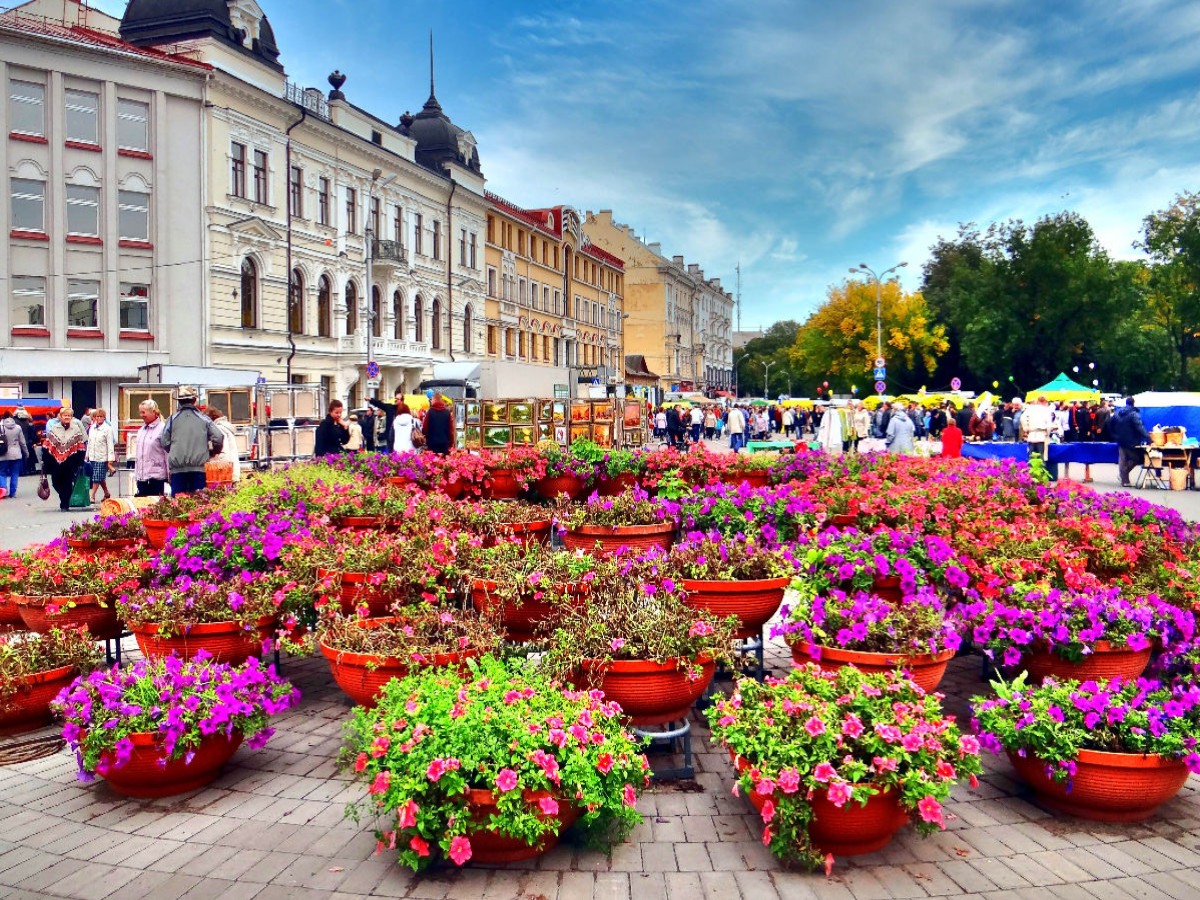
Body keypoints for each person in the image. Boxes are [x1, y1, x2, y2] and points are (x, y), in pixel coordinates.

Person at [161, 387, 225, 494]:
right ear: (194, 400)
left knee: (178, 505)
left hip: (177, 471)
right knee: (198, 503)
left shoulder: (171, 420)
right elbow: (218, 437)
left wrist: (174, 450)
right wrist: (213, 452)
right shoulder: (204, 419)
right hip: (199, 470)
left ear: (179, 402)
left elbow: (164, 441)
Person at [43, 407, 87, 511]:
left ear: (71, 417)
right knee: (55, 482)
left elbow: (80, 447)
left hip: (71, 461)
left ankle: (64, 504)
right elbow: (47, 445)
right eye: (65, 415)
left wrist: (80, 462)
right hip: (55, 462)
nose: (67, 417)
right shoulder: (54, 428)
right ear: (60, 416)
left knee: (67, 482)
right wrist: (46, 462)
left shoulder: (76, 429)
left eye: (69, 415)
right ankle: (64, 496)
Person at [1108, 397, 1150, 488]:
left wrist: (1114, 436)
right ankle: (1124, 476)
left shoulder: (1117, 413)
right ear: (1133, 403)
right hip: (1132, 441)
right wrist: (1148, 438)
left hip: (1120, 439)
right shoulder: (1134, 414)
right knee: (1137, 458)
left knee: (1122, 459)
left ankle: (1124, 479)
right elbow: (1139, 427)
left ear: (1126, 403)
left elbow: (1109, 424)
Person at [133, 399, 170, 496]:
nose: (141, 415)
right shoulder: (141, 430)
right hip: (141, 478)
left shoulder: (163, 429)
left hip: (156, 477)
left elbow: (167, 453)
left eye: (143, 412)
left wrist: (170, 474)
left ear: (153, 412)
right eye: (140, 412)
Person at [85, 407, 116, 503]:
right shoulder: (92, 428)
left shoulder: (107, 429)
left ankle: (92, 496)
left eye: (100, 416)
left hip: (103, 457)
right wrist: (87, 454)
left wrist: (110, 459)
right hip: (93, 456)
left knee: (96, 477)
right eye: (96, 416)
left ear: (104, 417)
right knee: (100, 476)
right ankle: (106, 493)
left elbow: (110, 444)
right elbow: (89, 442)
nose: (98, 418)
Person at [204, 407, 242, 482]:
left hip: (223, 470)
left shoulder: (218, 428)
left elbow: (222, 452)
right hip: (232, 467)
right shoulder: (226, 428)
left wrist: (211, 457)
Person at [0, 410, 29, 499]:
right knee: (15, 473)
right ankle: (13, 493)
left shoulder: (1, 427)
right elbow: (22, 442)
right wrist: (26, 452)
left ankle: (3, 490)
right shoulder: (18, 427)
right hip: (16, 454)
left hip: (3, 453)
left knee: (1, 473)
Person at [1021, 395, 1054, 462]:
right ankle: (1041, 472)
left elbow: (1022, 418)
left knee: (1031, 456)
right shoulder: (1047, 410)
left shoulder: (1030, 409)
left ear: (1037, 401)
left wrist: (1026, 428)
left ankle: (1030, 472)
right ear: (1045, 401)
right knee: (1041, 457)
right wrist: (1047, 434)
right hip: (1042, 436)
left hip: (1031, 435)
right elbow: (1049, 425)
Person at [14, 408, 39, 476]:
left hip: (18, 442)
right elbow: (33, 435)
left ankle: (21, 471)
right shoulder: (28, 423)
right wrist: (34, 442)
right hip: (28, 442)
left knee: (20, 457)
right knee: (27, 456)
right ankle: (27, 470)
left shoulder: (15, 422)